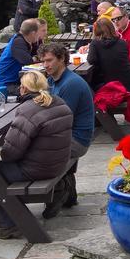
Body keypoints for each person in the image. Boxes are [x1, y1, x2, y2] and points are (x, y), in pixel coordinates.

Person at [0, 69, 74, 239]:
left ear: (24, 89)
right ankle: (15, 212)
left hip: (38, 169)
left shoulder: (27, 110)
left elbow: (10, 153)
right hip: (58, 164)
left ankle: (8, 224)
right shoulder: (60, 102)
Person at [41, 42, 95, 216]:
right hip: (67, 134)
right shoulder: (52, 80)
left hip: (77, 139)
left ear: (62, 59)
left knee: (35, 152)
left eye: (49, 61)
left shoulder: (70, 84)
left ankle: (59, 190)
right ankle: (65, 188)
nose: (45, 65)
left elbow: (60, 121)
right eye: (43, 61)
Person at [0, 18, 44, 97]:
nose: (39, 35)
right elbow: (28, 61)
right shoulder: (18, 42)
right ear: (33, 33)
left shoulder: (25, 40)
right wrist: (36, 58)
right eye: (39, 32)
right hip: (4, 85)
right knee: (36, 94)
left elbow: (40, 54)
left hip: (14, 82)